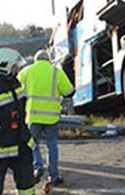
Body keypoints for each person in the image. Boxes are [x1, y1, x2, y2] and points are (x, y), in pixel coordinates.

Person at [0, 47, 35, 194]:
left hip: (19, 141)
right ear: (6, 66)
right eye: (15, 66)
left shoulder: (15, 83)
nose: (17, 69)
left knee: (27, 182)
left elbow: (20, 110)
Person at [18, 49, 74, 187]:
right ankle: (53, 176)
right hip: (51, 117)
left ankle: (37, 168)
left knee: (33, 144)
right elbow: (69, 91)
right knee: (52, 146)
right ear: (48, 59)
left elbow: (15, 90)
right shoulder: (56, 71)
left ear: (36, 60)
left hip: (33, 115)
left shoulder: (26, 71)